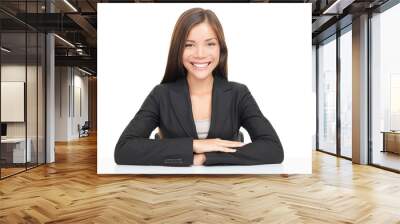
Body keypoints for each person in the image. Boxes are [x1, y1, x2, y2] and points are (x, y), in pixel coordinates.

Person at [114, 8, 284, 166]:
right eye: (189, 45)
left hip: (227, 189)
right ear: (178, 50)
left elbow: (273, 149)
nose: (200, 54)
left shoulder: (238, 94)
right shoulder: (161, 94)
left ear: (221, 49)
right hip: (172, 188)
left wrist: (205, 157)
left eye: (210, 44)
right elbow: (124, 150)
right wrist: (195, 146)